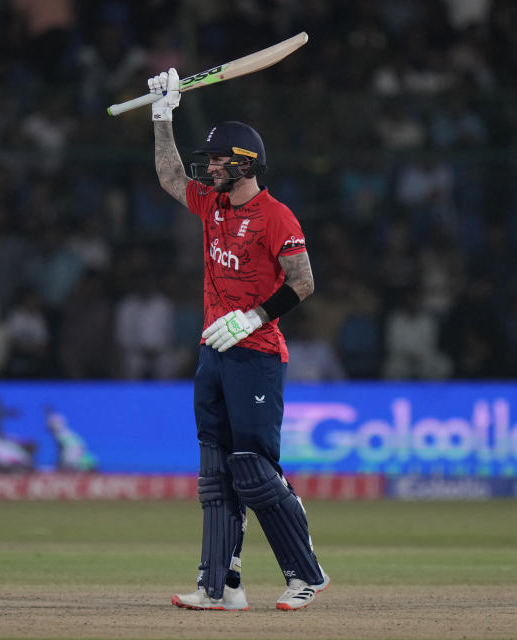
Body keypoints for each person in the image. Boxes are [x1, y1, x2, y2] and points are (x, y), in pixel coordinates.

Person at [147, 69, 329, 611]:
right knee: (215, 469)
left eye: (220, 161)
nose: (209, 170)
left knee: (252, 468)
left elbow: (304, 281)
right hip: (212, 353)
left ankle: (305, 576)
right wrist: (162, 115)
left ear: (245, 162)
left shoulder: (276, 216)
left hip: (256, 354)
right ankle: (219, 585)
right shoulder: (213, 205)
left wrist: (253, 319)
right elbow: (170, 176)